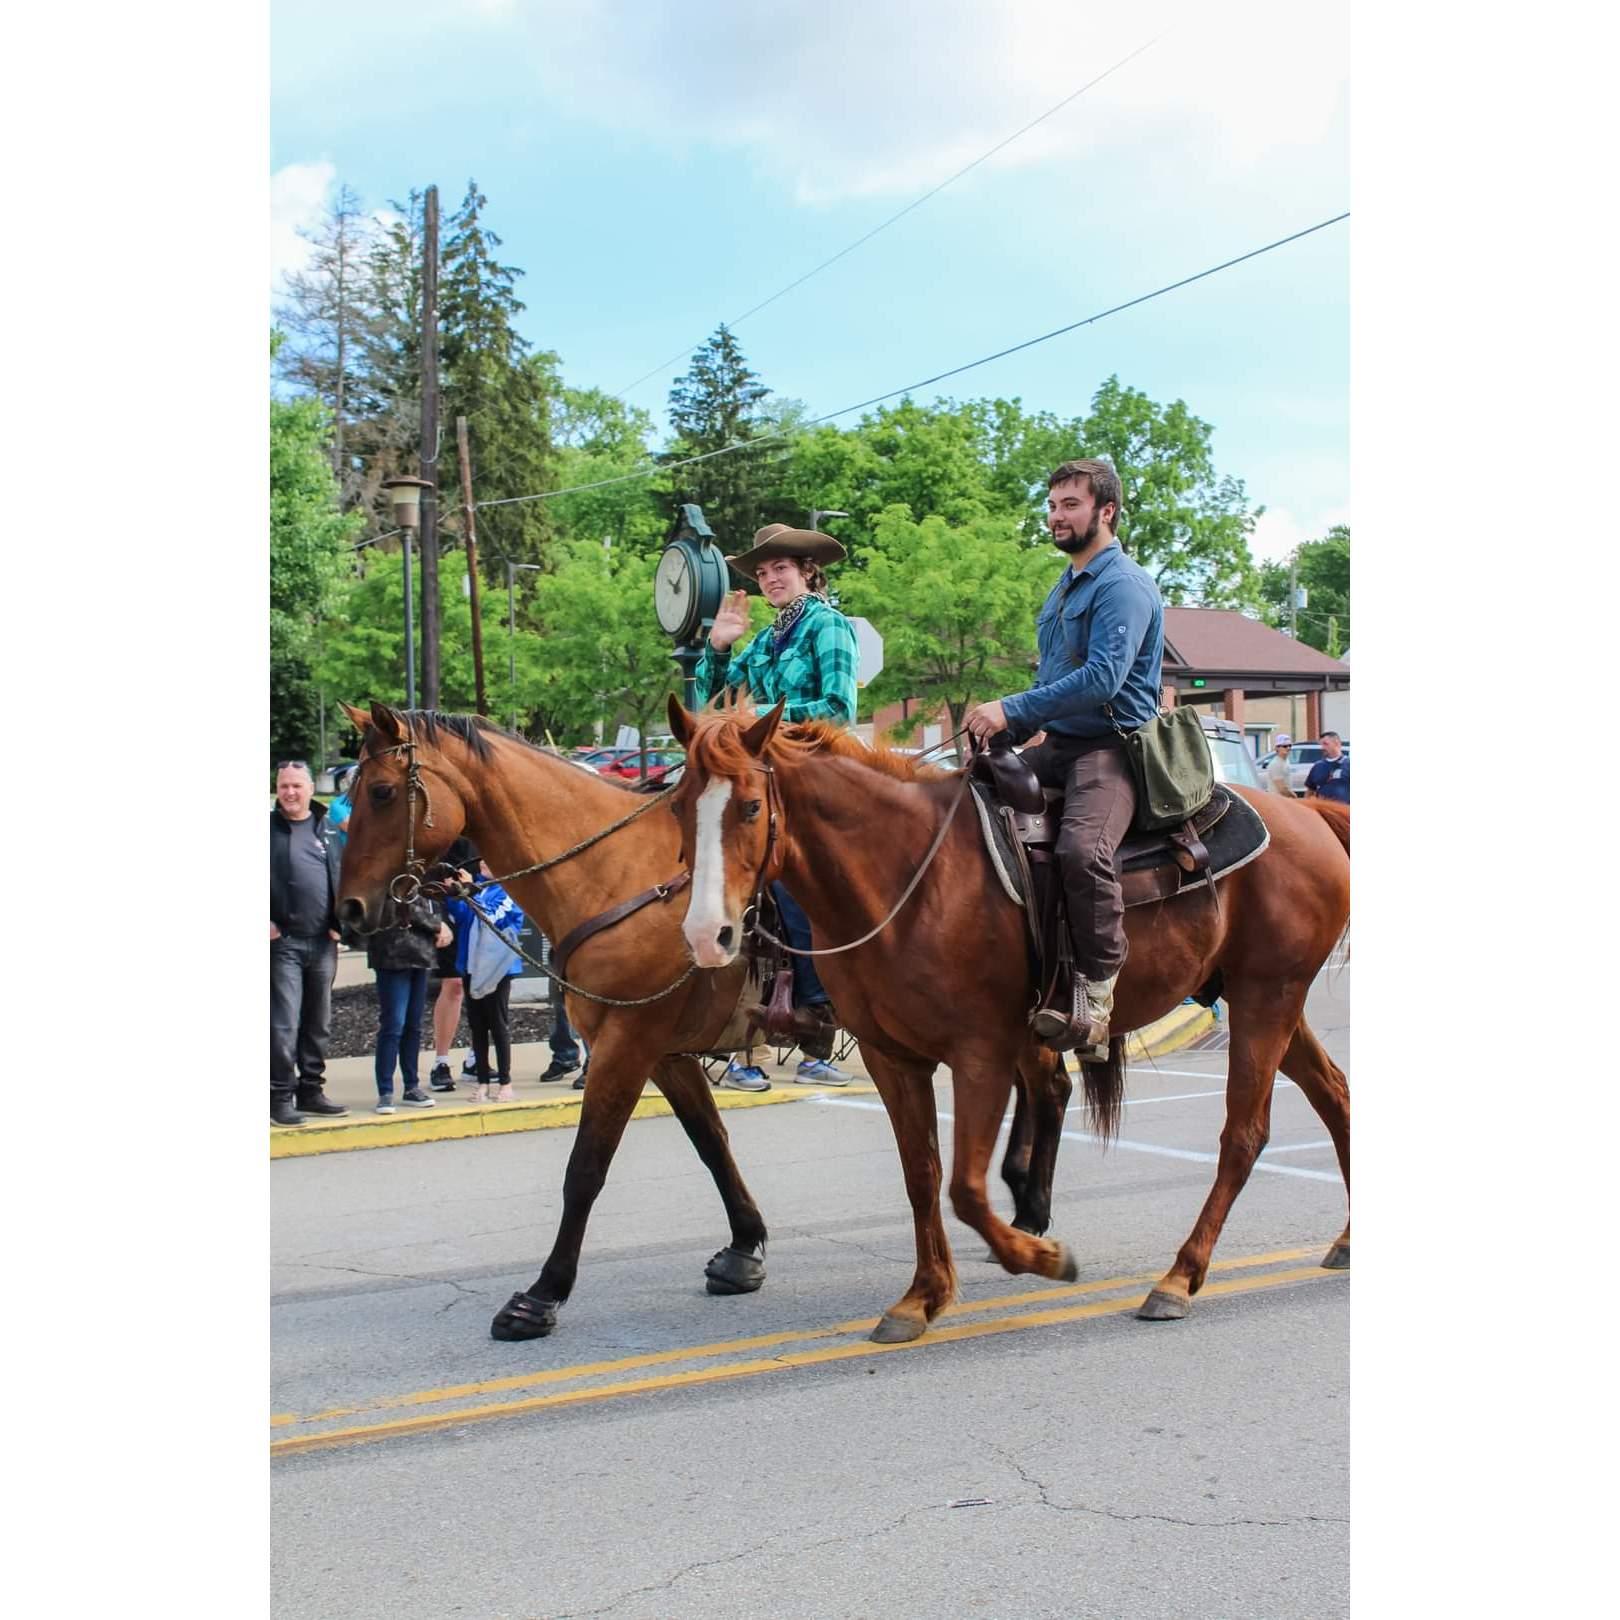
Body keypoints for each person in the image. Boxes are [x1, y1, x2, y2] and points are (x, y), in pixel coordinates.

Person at [965, 458, 1165, 1056]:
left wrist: (1012, 709)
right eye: (1052, 505)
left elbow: (1103, 679)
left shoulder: (1122, 585)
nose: (1056, 516)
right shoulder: (1066, 587)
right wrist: (1014, 730)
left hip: (1112, 751)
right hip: (1057, 747)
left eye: (1070, 505)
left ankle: (1099, 995)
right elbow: (1057, 675)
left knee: (1082, 849)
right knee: (964, 804)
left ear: (1105, 511)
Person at [695, 522, 860, 1090]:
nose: (770, 580)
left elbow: (836, 709)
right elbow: (712, 704)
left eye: (780, 569)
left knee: (796, 895)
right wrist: (719, 647)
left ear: (808, 571)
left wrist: (762, 717)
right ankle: (743, 1044)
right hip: (765, 784)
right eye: (762, 573)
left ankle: (819, 1024)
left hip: (814, 780)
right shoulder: (764, 641)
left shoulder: (829, 625)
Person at [270, 761, 349, 1126]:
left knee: (319, 1022)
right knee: (284, 1022)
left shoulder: (328, 829)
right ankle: (280, 1095)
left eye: (296, 786)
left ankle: (311, 1090)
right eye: (284, 786)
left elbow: (343, 876)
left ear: (310, 789)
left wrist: (340, 924)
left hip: (323, 943)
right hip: (283, 942)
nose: (290, 793)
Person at [445, 855, 527, 1103]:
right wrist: (454, 893)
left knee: (498, 1025)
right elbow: (459, 915)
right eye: (481, 862)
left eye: (488, 861)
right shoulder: (475, 888)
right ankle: (481, 1081)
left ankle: (505, 1081)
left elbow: (493, 917)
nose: (483, 864)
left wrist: (470, 891)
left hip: (498, 969)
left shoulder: (509, 891)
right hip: (471, 967)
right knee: (477, 1027)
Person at [367, 891, 453, 1113]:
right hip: (392, 953)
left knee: (413, 1026)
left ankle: (411, 1086)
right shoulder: (390, 877)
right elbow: (401, 907)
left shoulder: (418, 879)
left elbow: (426, 903)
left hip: (421, 954)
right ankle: (385, 1091)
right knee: (393, 1025)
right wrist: (438, 925)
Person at [427, 836, 479, 1091]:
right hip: (448, 903)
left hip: (480, 901)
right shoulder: (442, 827)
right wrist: (437, 917)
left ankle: (475, 1056)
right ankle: (441, 1061)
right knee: (455, 984)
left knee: (484, 986)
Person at [1305, 731, 1350, 802]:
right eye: (1321, 744)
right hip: (1322, 810)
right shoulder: (1318, 766)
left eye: (1325, 744)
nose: (1322, 747)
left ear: (1337, 743)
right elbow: (1310, 790)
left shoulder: (1348, 764)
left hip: (1343, 811)